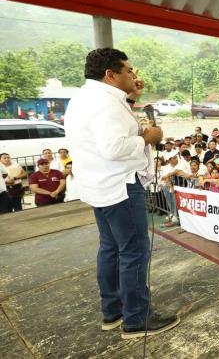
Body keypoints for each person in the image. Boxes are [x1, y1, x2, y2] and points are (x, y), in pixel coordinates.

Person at [64, 48, 179, 338]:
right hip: (121, 186)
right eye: (128, 71)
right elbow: (114, 147)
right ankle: (137, 318)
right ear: (110, 74)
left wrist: (131, 98)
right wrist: (146, 137)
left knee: (111, 248)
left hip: (98, 185)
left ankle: (113, 311)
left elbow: (109, 130)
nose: (134, 75)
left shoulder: (85, 97)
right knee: (134, 252)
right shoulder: (106, 104)